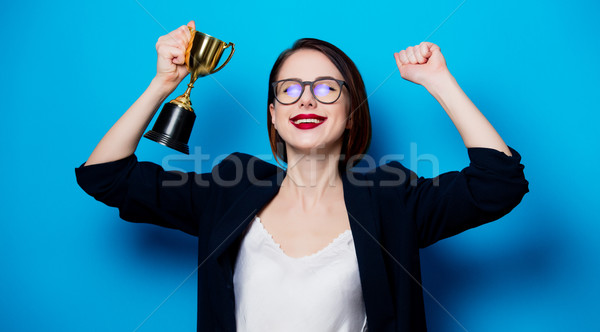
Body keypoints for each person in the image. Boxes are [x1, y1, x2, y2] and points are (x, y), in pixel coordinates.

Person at [75, 20, 529, 332]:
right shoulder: (230, 186)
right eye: (289, 90)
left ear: (351, 114)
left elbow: (498, 183)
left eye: (327, 88)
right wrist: (162, 84)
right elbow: (106, 176)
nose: (306, 101)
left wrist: (439, 81)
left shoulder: (390, 197)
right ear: (273, 115)